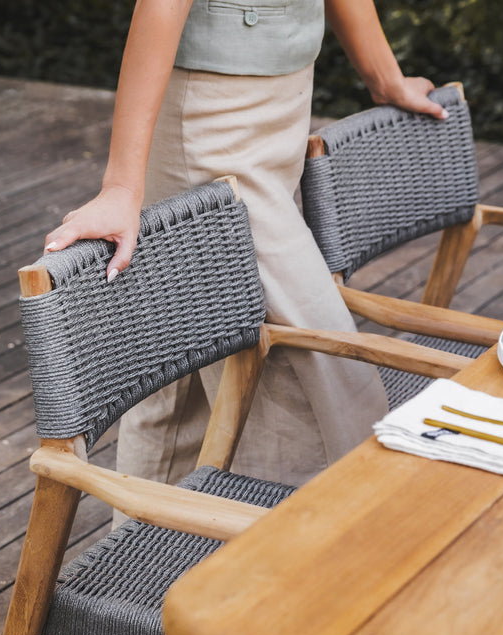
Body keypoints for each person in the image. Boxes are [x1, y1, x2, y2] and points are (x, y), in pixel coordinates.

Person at [43, 0, 448, 490]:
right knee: (315, 373)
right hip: (213, 121)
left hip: (284, 104)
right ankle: (287, 551)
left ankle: (176, 558)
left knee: (190, 377)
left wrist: (385, 77)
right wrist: (123, 188)